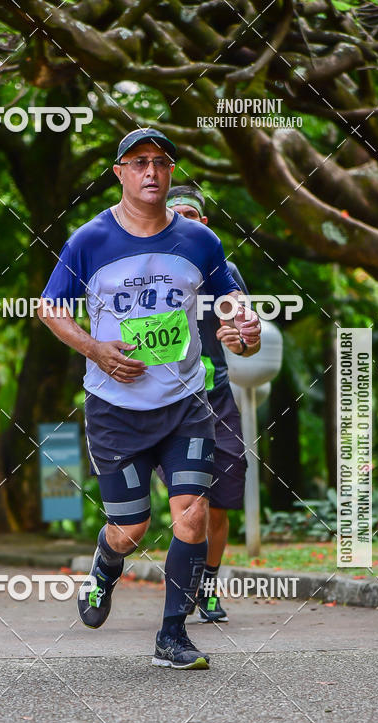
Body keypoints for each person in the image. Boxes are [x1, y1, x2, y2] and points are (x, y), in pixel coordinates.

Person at [39, 128, 260, 670]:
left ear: (171, 171)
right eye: (139, 163)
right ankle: (104, 566)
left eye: (161, 162)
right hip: (115, 409)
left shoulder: (199, 241)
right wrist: (95, 349)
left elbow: (232, 306)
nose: (151, 172)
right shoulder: (89, 241)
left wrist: (243, 330)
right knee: (130, 530)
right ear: (119, 172)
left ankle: (172, 636)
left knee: (192, 514)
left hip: (185, 404)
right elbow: (51, 309)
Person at [166, 186, 249, 624]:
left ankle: (208, 586)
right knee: (186, 506)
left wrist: (239, 338)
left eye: (191, 215)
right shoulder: (150, 270)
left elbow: (244, 342)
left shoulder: (225, 271)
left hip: (218, 400)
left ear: (204, 224)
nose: (185, 221)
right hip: (167, 403)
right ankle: (175, 592)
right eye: (175, 214)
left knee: (219, 504)